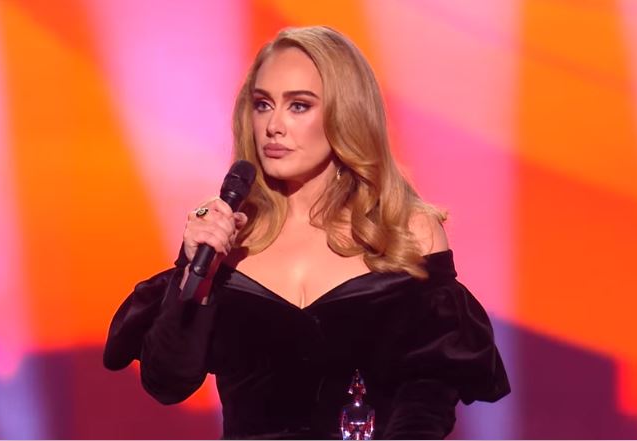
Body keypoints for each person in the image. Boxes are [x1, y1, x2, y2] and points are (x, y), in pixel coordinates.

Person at [104, 25, 510, 439]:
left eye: (299, 106)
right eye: (263, 105)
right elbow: (168, 381)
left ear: (345, 113)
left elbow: (429, 395)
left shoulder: (406, 232)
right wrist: (198, 274)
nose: (273, 126)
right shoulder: (229, 236)